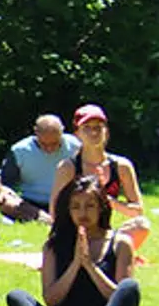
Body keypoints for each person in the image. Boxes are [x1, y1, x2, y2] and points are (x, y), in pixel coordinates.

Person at [4, 175, 141, 306]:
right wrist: (76, 264)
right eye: (76, 207)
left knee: (130, 286)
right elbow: (51, 301)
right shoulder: (54, 246)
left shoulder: (120, 243)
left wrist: (90, 266)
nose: (83, 213)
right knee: (17, 297)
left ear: (101, 207)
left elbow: (120, 297)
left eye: (90, 206)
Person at [52, 104, 150, 252]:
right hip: (75, 232)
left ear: (106, 132)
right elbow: (55, 210)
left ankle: (112, 254)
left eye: (98, 127)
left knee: (142, 225)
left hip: (104, 234)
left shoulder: (121, 166)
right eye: (87, 127)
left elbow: (137, 211)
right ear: (77, 134)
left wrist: (106, 199)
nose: (93, 132)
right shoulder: (68, 167)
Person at [0, 114, 79, 224]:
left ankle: (46, 219)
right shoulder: (20, 150)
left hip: (65, 201)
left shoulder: (75, 146)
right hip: (31, 203)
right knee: (5, 202)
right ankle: (47, 219)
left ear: (62, 132)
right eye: (44, 144)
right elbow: (2, 180)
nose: (49, 149)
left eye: (54, 144)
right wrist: (3, 190)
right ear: (36, 133)